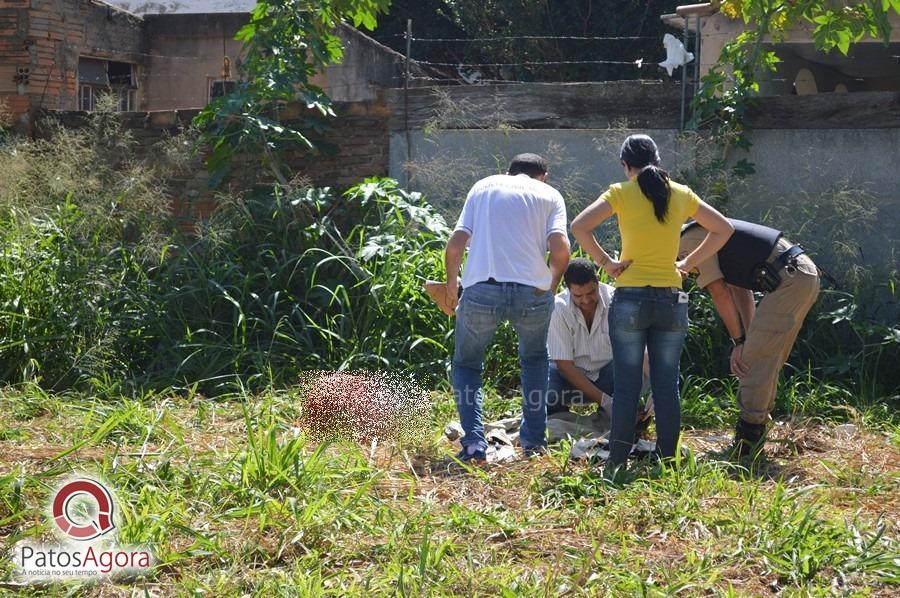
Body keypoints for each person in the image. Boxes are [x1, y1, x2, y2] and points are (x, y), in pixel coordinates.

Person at [571, 134, 733, 469]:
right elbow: (723, 229)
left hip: (630, 297)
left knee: (628, 385)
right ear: (658, 161)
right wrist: (687, 264)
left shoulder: (621, 192)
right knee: (665, 384)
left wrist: (607, 264)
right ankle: (667, 460)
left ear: (625, 166)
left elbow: (579, 226)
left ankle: (616, 462)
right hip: (671, 300)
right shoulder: (681, 194)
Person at [443, 153, 570, 463]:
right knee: (535, 360)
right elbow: (561, 249)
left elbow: (456, 244)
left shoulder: (484, 186)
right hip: (532, 291)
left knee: (467, 365)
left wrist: (450, 288)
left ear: (508, 172)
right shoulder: (550, 194)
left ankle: (474, 444)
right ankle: (533, 443)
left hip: (481, 289)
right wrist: (549, 287)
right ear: (544, 175)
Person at [679, 218, 820, 457]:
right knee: (762, 357)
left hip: (789, 279)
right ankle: (756, 430)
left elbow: (719, 293)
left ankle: (748, 445)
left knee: (754, 362)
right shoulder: (700, 230)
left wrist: (740, 342)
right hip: (799, 275)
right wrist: (747, 338)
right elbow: (739, 288)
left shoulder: (687, 241)